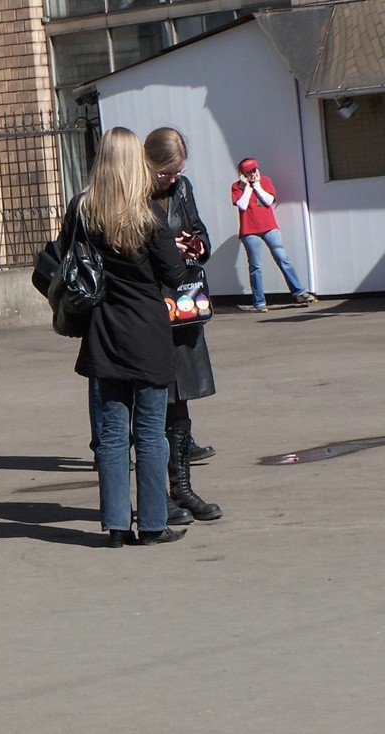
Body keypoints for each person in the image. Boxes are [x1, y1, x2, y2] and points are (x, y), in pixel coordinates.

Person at [62, 127, 188, 547]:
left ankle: (116, 526)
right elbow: (174, 274)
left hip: (102, 333)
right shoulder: (148, 214)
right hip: (148, 335)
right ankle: (152, 525)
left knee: (113, 436)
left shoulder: (85, 212)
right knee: (151, 434)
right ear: (136, 163)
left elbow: (65, 258)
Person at [144, 128, 222, 524]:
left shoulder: (182, 190)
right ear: (149, 165)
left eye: (178, 172)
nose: (173, 179)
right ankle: (160, 495)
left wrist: (197, 245)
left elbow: (200, 229)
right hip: (151, 305)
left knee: (182, 398)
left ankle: (184, 488)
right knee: (155, 404)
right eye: (167, 173)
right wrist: (162, 249)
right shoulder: (134, 194)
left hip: (185, 303)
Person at [231, 157, 316, 312]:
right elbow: (242, 205)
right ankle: (259, 302)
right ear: (242, 174)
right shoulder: (236, 187)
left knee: (282, 258)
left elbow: (269, 200)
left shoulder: (265, 181)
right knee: (255, 266)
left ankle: (299, 292)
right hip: (249, 231)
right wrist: (247, 188)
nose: (253, 174)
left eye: (255, 170)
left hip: (270, 227)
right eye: (249, 172)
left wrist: (256, 185)